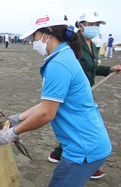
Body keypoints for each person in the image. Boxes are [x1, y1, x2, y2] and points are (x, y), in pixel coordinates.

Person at [0, 11, 112, 187]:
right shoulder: (64, 55)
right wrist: (18, 118)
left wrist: (13, 133)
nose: (33, 41)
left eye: (34, 36)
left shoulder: (58, 64)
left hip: (83, 149)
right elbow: (48, 105)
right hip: (91, 143)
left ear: (47, 33)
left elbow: (47, 114)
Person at [48, 10, 121, 179]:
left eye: (97, 24)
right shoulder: (74, 43)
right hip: (75, 92)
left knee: (78, 125)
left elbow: (93, 68)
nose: (95, 27)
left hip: (87, 90)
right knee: (81, 127)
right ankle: (86, 160)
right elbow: (69, 68)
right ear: (81, 25)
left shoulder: (93, 46)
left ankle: (58, 153)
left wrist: (110, 69)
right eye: (91, 24)